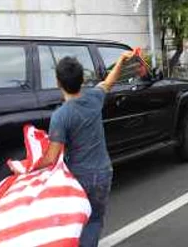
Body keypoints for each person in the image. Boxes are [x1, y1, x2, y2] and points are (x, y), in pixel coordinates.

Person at [31, 51, 135, 247]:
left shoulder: (60, 116)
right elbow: (109, 81)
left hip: (79, 178)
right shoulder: (94, 97)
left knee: (76, 221)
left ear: (58, 82)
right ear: (82, 80)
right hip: (104, 173)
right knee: (94, 220)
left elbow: (51, 157)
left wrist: (28, 168)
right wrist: (120, 60)